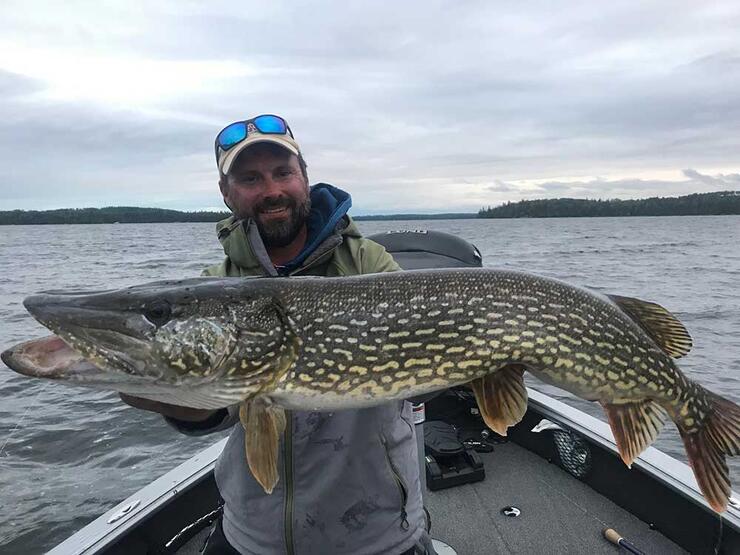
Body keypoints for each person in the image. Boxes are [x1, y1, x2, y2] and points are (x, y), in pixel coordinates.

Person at [121, 114, 432, 555]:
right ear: (226, 194)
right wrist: (181, 401)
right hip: (254, 534)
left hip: (375, 534)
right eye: (250, 178)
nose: (271, 191)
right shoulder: (218, 283)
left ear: (304, 177)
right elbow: (221, 408)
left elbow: (418, 371)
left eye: (283, 173)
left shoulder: (369, 264)